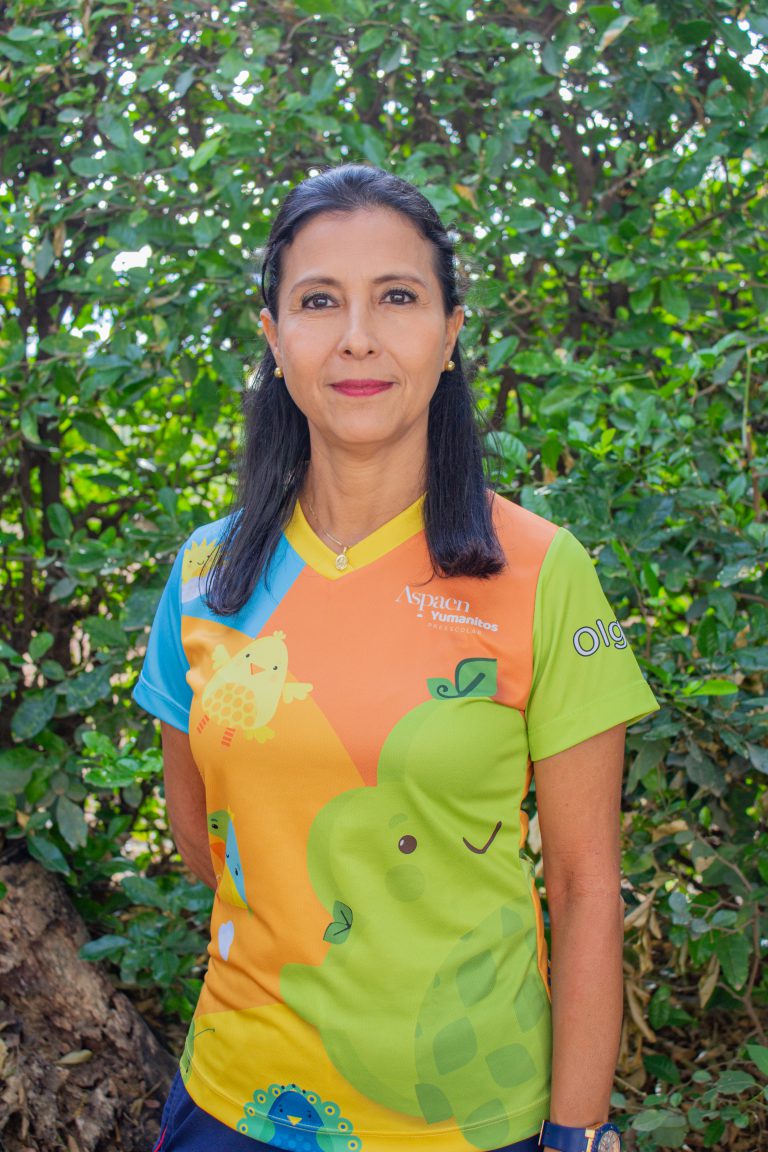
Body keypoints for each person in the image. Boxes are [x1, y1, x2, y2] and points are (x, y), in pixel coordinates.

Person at [134, 164, 658, 1152]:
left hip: (471, 1116)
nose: (358, 337)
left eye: (398, 297)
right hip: (235, 1102)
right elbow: (202, 840)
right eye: (318, 301)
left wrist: (578, 1133)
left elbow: (587, 890)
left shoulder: (541, 571)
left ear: (451, 333)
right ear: (274, 338)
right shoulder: (205, 574)